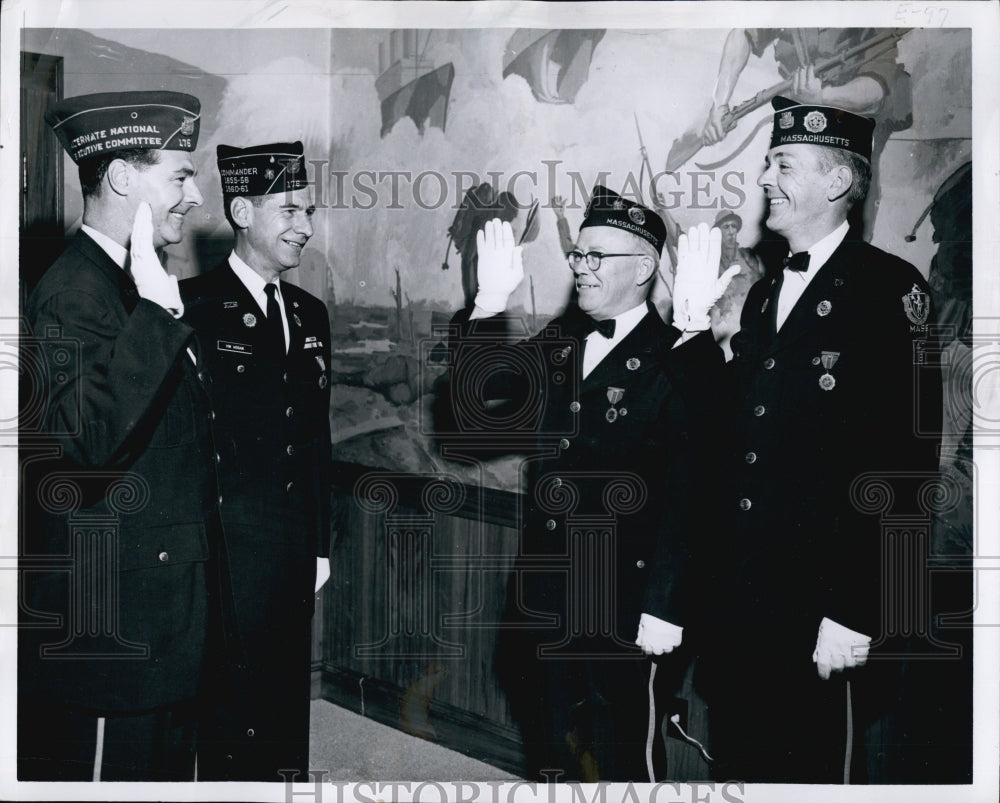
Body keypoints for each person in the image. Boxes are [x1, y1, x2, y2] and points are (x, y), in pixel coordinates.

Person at [692, 96, 942, 782]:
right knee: (741, 768)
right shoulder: (770, 291)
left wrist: (856, 608)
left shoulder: (892, 292)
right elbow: (743, 443)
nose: (765, 178)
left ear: (837, 183)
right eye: (769, 161)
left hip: (822, 607)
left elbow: (904, 467)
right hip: (746, 602)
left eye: (782, 162)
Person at [447, 187, 735, 781]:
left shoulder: (678, 353)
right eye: (578, 254)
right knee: (553, 751)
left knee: (624, 756)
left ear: (644, 268)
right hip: (548, 593)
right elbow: (474, 415)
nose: (579, 266)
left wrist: (665, 605)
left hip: (629, 604)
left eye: (595, 255)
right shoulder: (562, 342)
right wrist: (486, 307)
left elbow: (698, 487)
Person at [19, 91, 229, 781]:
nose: (195, 198)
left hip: (161, 614)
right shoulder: (71, 290)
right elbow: (86, 440)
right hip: (115, 631)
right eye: (179, 175)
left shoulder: (133, 284)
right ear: (120, 177)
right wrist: (159, 314)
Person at [180, 141, 332, 781]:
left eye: (309, 212)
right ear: (242, 210)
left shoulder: (309, 312)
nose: (304, 226)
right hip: (226, 546)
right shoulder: (190, 306)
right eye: (289, 211)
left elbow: (316, 438)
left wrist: (320, 542)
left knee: (285, 699)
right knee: (230, 709)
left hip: (293, 546)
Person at [701, 28, 912, 239]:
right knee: (782, 199)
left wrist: (821, 97)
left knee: (847, 210)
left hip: (853, 115)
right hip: (799, 108)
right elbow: (745, 32)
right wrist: (719, 103)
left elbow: (874, 88)